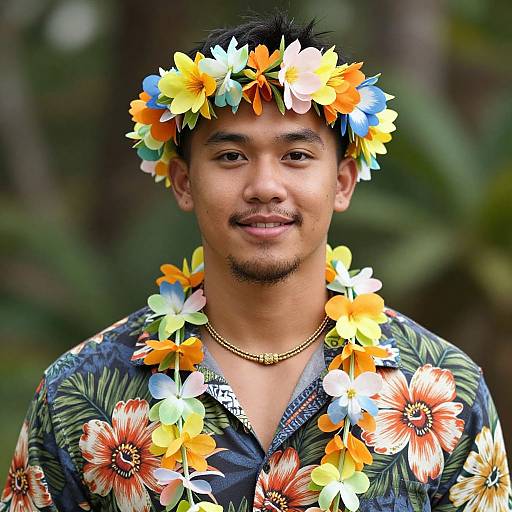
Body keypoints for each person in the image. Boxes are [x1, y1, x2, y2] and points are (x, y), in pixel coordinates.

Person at [2, 12, 510, 512]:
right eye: (230, 157)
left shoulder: (444, 389)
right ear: (183, 182)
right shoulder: (79, 392)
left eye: (296, 156)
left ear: (342, 182)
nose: (265, 186)